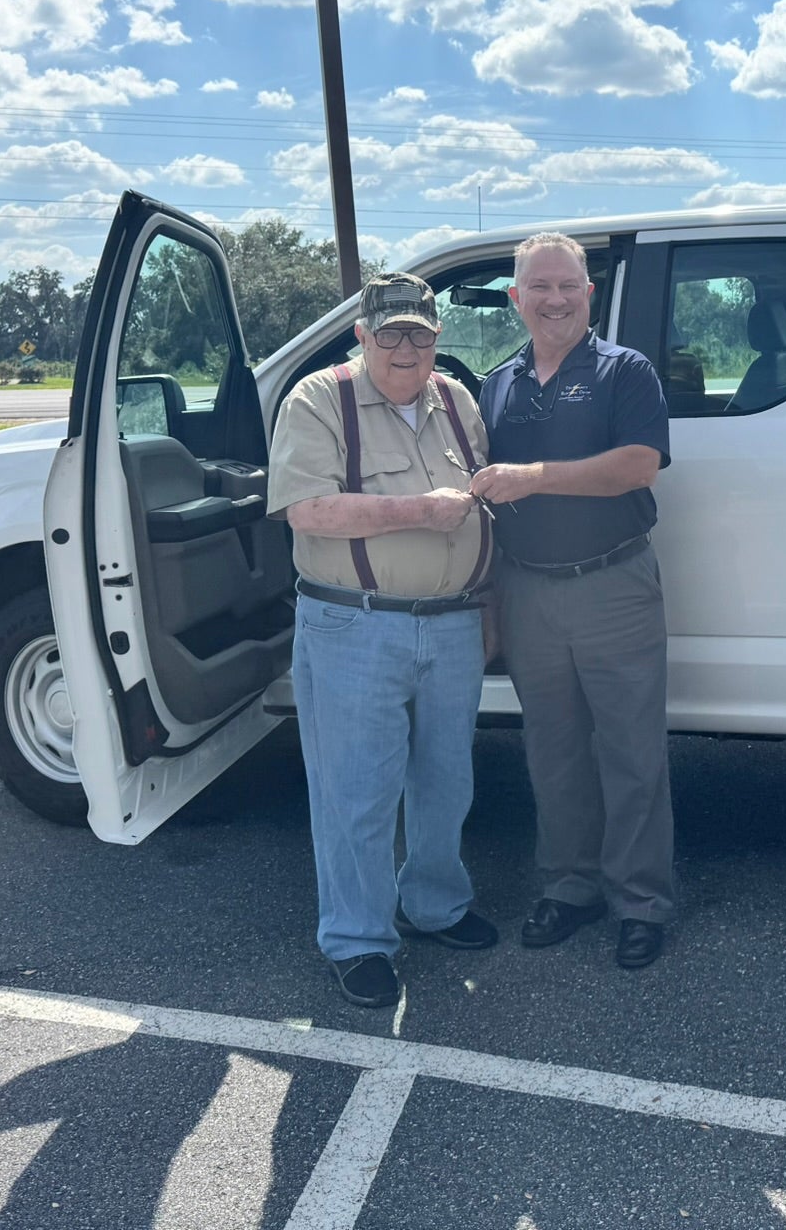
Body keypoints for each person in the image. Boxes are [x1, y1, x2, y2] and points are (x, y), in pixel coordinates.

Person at [266, 272, 495, 1009]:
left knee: (445, 782)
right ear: (361, 336)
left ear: (437, 340)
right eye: (390, 333)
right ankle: (358, 938)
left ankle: (434, 906)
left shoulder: (457, 400)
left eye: (420, 335)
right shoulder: (317, 400)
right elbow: (307, 512)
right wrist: (419, 515)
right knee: (355, 792)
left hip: (454, 621)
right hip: (352, 623)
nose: (406, 348)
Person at [471, 232, 675, 970]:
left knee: (631, 752)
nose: (554, 299)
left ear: (590, 294)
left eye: (568, 286)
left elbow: (638, 467)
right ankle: (568, 886)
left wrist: (533, 475)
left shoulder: (625, 371)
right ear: (515, 298)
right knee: (552, 751)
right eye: (539, 287)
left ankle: (641, 901)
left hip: (613, 583)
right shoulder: (498, 383)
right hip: (527, 588)